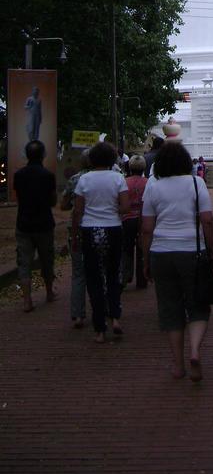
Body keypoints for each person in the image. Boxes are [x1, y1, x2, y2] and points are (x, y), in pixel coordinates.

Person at [141, 142, 213, 382]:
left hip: (161, 251)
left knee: (170, 308)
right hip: (192, 250)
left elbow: (146, 228)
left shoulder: (153, 187)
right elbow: (208, 220)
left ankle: (178, 364)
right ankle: (194, 350)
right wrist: (211, 252)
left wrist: (145, 259)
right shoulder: (197, 183)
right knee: (198, 304)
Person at [72, 141, 129, 343]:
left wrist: (75, 236)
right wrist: (111, 210)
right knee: (113, 275)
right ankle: (115, 318)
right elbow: (125, 207)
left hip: (89, 229)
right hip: (113, 228)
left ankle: (99, 329)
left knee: (94, 279)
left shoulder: (84, 180)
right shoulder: (118, 178)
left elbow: (77, 211)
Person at [13, 140, 57, 312]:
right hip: (44, 223)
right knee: (47, 260)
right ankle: (49, 292)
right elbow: (53, 200)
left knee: (24, 262)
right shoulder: (48, 176)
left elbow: (18, 198)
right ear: (43, 155)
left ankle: (27, 300)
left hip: (23, 223)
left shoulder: (19, 175)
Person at [61, 149, 90, 327]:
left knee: (78, 274)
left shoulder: (74, 180)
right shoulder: (110, 176)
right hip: (100, 228)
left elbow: (64, 204)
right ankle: (105, 314)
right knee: (101, 273)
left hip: (78, 228)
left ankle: (78, 314)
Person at [121, 154, 148, 290]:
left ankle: (125, 275)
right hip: (143, 219)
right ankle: (142, 279)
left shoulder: (124, 182)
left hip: (127, 218)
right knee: (142, 248)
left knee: (127, 248)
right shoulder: (147, 182)